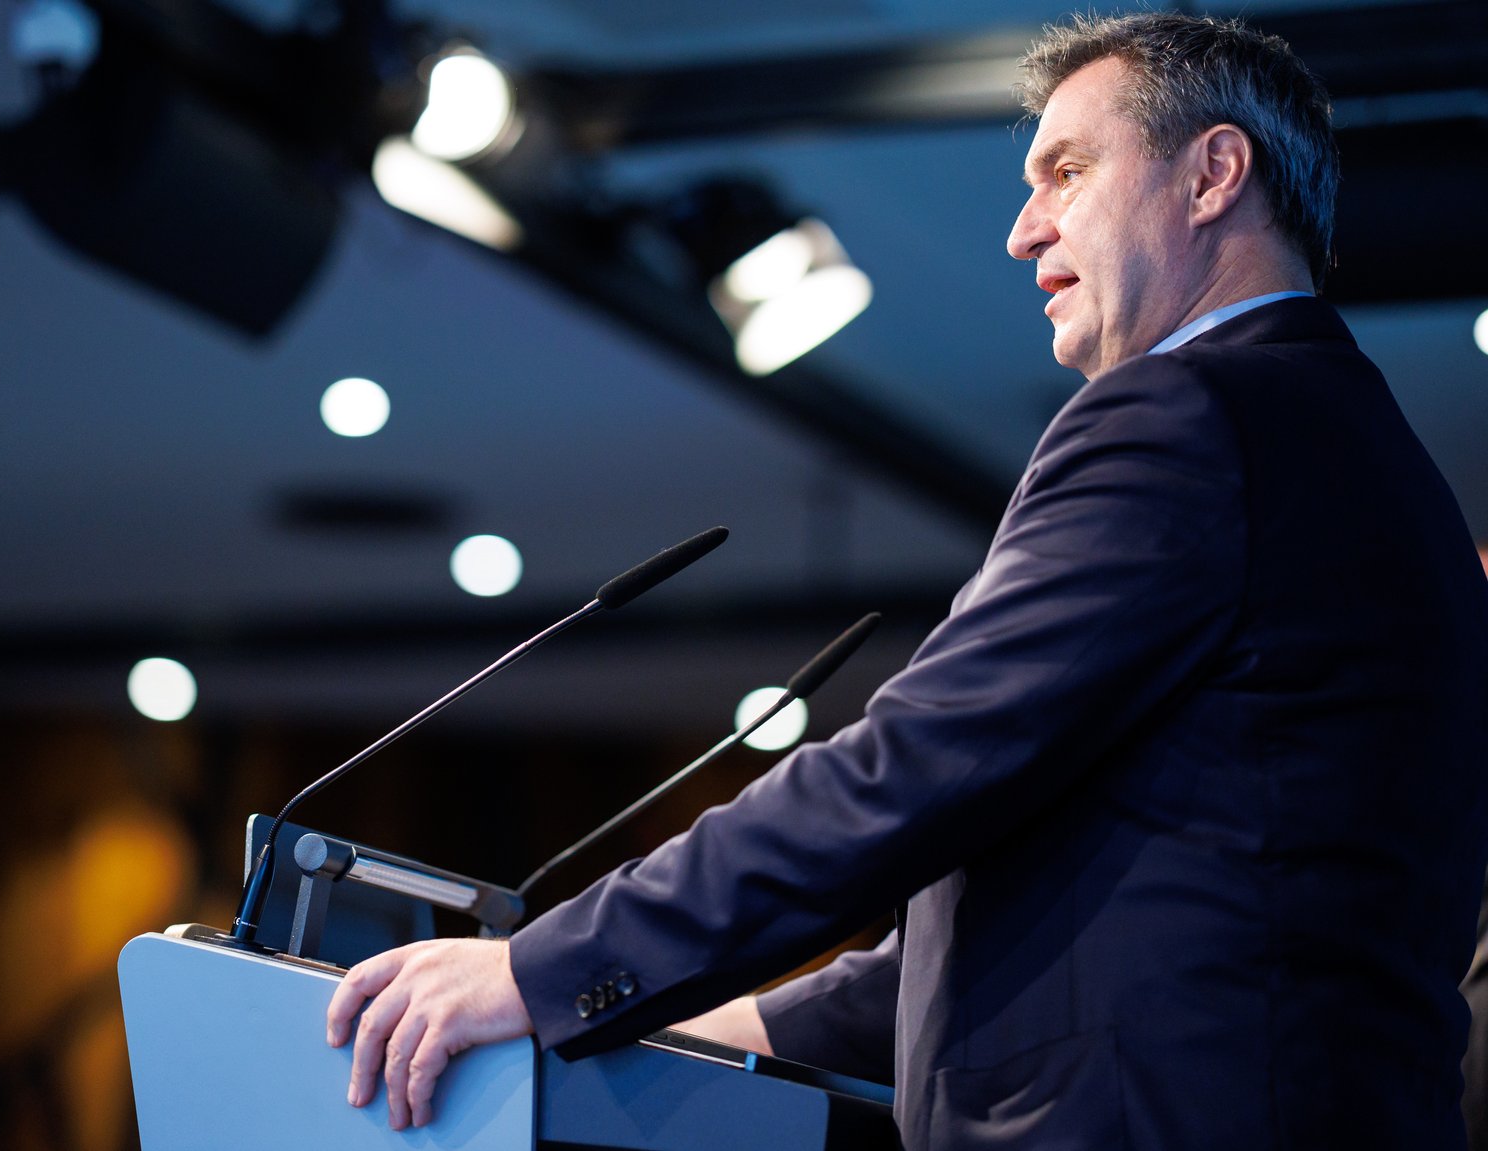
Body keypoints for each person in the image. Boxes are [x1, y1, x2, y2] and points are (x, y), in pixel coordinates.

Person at [324, 13, 1488, 1148]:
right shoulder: (1375, 464)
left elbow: (909, 770)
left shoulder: (1189, 415)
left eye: (1066, 170)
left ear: (1210, 175)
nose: (1022, 230)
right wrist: (704, 1022)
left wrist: (540, 970)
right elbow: (1064, 904)